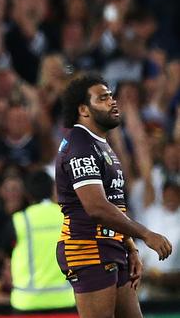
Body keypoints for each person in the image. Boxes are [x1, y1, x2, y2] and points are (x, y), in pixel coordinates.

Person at [55, 75, 173, 318]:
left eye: (111, 95)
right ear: (83, 110)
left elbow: (113, 204)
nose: (113, 101)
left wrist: (129, 247)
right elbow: (96, 207)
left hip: (111, 245)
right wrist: (145, 234)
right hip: (87, 247)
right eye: (103, 98)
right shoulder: (80, 145)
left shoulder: (101, 144)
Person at [6, 170, 75, 311]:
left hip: (27, 303)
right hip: (65, 300)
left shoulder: (19, 220)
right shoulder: (67, 217)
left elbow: (6, 255)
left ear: (27, 194)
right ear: (52, 190)